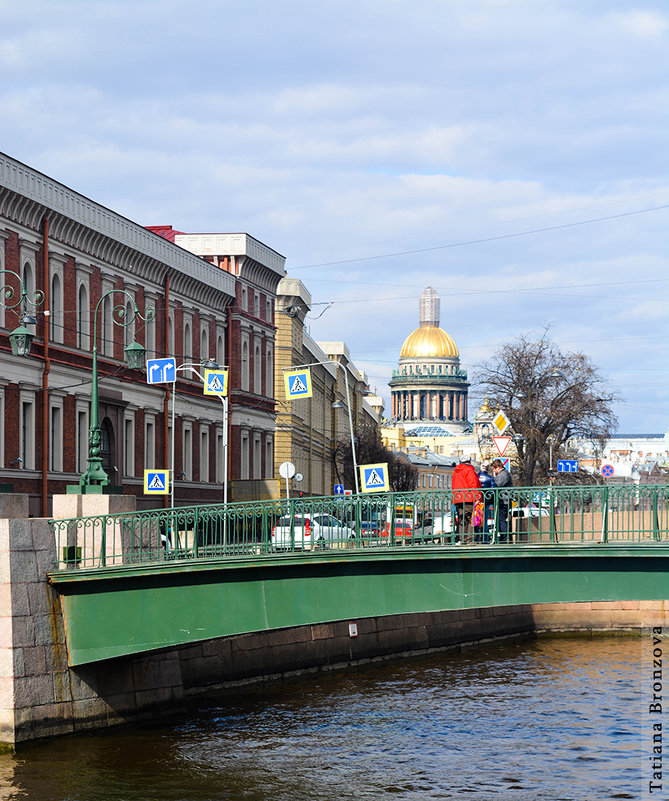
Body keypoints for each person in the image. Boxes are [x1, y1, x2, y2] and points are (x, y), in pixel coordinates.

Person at [451, 456, 482, 543]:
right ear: (469, 461)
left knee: (462, 519)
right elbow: (473, 485)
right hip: (469, 498)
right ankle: (469, 540)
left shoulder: (456, 471)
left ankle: (462, 539)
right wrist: (477, 498)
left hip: (458, 498)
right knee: (471, 519)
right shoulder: (469, 470)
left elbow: (453, 485)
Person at [491, 459, 513, 542]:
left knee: (501, 519)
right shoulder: (503, 474)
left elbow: (496, 485)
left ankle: (504, 538)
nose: (493, 471)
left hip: (504, 500)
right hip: (503, 499)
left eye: (493, 468)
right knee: (501, 519)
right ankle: (503, 536)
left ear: (497, 467)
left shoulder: (503, 475)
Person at [477, 463, 495, 542]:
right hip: (486, 502)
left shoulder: (476, 477)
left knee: (477, 520)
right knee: (484, 521)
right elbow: (493, 490)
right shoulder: (490, 478)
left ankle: (476, 539)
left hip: (477, 501)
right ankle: (484, 539)